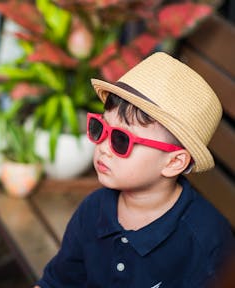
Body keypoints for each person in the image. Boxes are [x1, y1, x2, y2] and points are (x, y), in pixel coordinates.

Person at [35, 52, 234, 287]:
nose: (103, 148)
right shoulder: (94, 209)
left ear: (174, 162)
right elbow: (57, 282)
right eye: (101, 129)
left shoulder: (206, 243)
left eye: (121, 140)